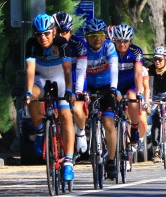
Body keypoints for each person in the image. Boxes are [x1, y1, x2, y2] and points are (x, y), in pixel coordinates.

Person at [22, 13, 76, 181]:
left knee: (66, 115)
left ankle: (68, 162)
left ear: (53, 31)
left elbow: (67, 70)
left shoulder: (62, 43)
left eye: (46, 33)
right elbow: (30, 69)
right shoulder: (31, 44)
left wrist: (69, 90)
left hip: (60, 79)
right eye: (39, 34)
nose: (42, 38)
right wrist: (28, 92)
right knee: (32, 96)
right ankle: (39, 131)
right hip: (41, 78)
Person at [72, 18, 120, 180]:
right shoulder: (83, 48)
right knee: (78, 111)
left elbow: (114, 68)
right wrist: (79, 91)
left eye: (100, 35)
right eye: (93, 35)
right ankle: (81, 137)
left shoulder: (109, 46)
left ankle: (111, 161)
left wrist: (113, 88)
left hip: (107, 86)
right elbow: (80, 70)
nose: (97, 39)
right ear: (86, 37)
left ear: (105, 36)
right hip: (89, 87)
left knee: (108, 123)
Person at [52, 11, 88, 158]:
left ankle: (80, 132)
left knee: (78, 110)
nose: (61, 35)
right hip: (57, 81)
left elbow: (80, 71)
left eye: (64, 31)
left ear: (71, 31)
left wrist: (78, 92)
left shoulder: (79, 45)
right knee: (54, 112)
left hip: (75, 80)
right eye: (57, 31)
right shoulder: (49, 45)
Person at [112, 24, 146, 168]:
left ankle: (134, 127)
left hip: (130, 85)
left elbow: (138, 73)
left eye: (125, 41)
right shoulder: (109, 49)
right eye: (119, 41)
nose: (122, 44)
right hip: (113, 85)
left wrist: (139, 92)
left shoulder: (136, 51)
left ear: (130, 41)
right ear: (114, 40)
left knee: (132, 97)